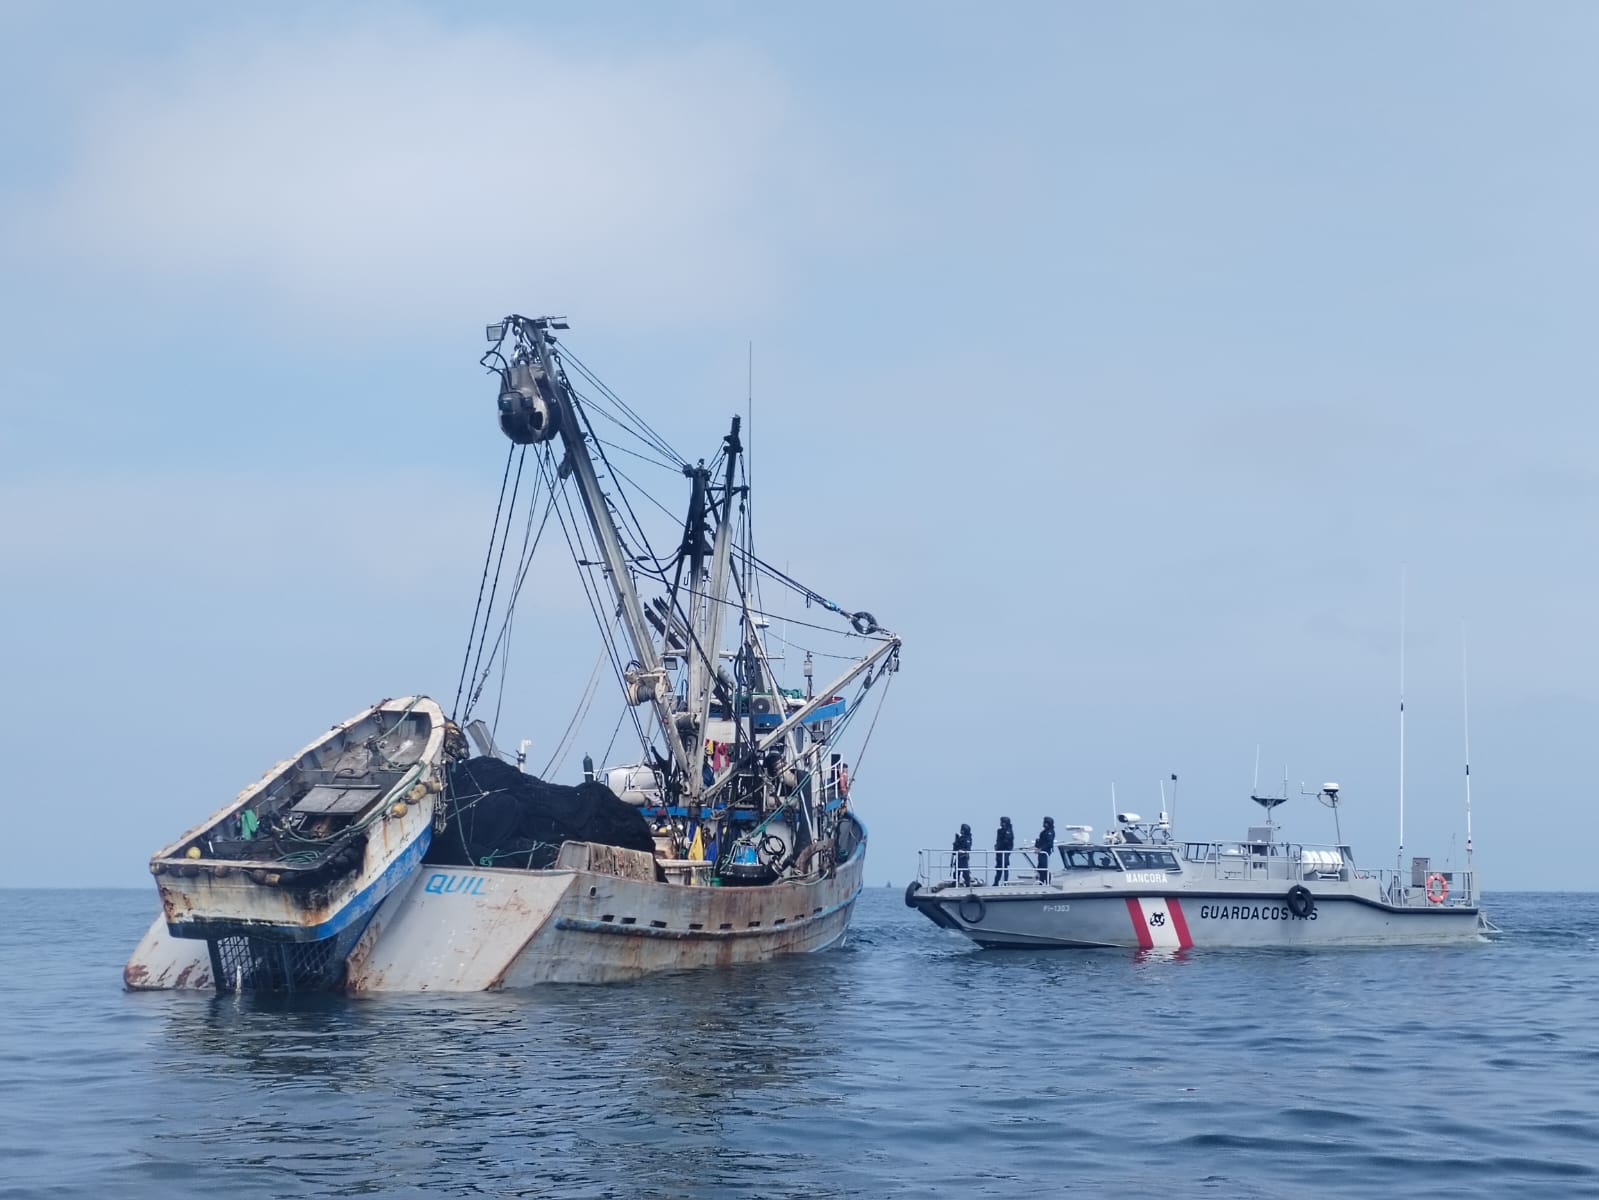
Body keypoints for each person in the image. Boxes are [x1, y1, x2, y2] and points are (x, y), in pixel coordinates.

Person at [992, 816, 1014, 885]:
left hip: (1005, 851)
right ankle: (996, 882)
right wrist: (996, 846)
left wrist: (999, 846)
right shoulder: (1000, 831)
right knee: (998, 867)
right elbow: (998, 840)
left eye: (1003, 822)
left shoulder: (1009, 831)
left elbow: (1006, 841)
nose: (1001, 823)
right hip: (999, 852)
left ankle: (1005, 882)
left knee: (1004, 866)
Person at [1034, 817, 1055, 883]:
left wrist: (1041, 849)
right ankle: (1042, 881)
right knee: (1040, 868)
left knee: (1043, 867)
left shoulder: (1050, 832)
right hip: (1041, 853)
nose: (1044, 824)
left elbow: (1049, 843)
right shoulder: (1044, 832)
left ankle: (1047, 882)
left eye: (1046, 823)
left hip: (1045, 852)